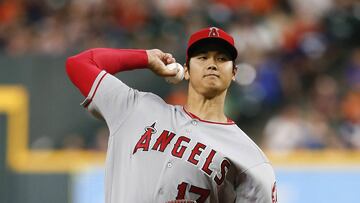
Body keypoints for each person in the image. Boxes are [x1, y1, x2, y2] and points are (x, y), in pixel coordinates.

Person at [66, 27, 277, 203]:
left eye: (222, 58)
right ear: (185, 70)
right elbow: (79, 64)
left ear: (234, 73)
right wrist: (145, 58)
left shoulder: (251, 159)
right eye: (202, 57)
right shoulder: (136, 109)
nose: (212, 64)